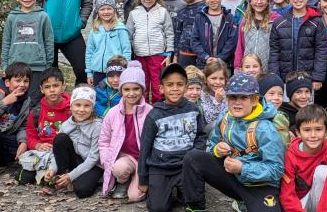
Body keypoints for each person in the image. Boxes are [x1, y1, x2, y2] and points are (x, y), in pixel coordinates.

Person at [182, 73, 286, 212]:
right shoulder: (226, 116)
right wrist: (216, 150)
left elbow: (276, 169)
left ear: (255, 100)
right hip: (233, 177)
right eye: (232, 97)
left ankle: (245, 202)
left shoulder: (265, 129)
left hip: (260, 186)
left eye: (244, 97)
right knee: (193, 157)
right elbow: (211, 145)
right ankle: (195, 208)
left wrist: (243, 168)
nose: (237, 102)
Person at [137, 64, 207, 212]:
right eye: (170, 85)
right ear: (162, 88)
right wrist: (143, 178)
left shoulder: (194, 110)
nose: (175, 88)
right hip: (160, 167)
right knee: (158, 208)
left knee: (195, 202)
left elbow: (201, 136)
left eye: (179, 84)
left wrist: (194, 155)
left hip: (185, 165)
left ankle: (183, 192)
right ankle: (162, 191)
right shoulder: (154, 115)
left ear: (186, 87)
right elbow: (145, 148)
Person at [99, 61, 153, 202]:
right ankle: (123, 181)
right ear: (121, 90)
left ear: (142, 90)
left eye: (136, 89)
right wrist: (107, 161)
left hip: (144, 160)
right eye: (126, 89)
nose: (131, 93)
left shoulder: (150, 112)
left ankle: (140, 181)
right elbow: (104, 140)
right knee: (119, 168)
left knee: (135, 196)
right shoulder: (112, 113)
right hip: (125, 157)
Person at [282, 105, 327, 212]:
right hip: (299, 203)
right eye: (307, 130)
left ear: (326, 131)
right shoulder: (290, 155)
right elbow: (287, 193)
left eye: (318, 129)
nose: (313, 135)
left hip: (323, 203)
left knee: (322, 171)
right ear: (298, 133)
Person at [15, 67, 71, 186]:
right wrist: (38, 145)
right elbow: (30, 135)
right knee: (23, 179)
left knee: (52, 180)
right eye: (47, 87)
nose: (52, 90)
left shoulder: (71, 109)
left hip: (63, 154)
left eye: (56, 85)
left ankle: (55, 175)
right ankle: (43, 174)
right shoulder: (36, 111)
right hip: (42, 153)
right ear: (41, 89)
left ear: (63, 86)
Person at [0, 0, 53, 105]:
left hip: (37, 66)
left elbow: (49, 42)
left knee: (33, 99)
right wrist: (4, 65)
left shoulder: (43, 16)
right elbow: (6, 41)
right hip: (15, 65)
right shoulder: (12, 17)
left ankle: (30, 123)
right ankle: (13, 121)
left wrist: (48, 65)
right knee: (15, 97)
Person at [268, 0, 327, 88]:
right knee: (285, 105)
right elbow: (274, 52)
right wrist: (274, 77)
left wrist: (317, 77)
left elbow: (321, 50)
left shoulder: (316, 21)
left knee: (306, 104)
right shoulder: (279, 22)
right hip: (284, 78)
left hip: (307, 77)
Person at [45, 86, 103, 197]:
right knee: (60, 138)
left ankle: (76, 178)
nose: (81, 110)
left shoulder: (97, 126)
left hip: (93, 164)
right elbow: (56, 151)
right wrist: (52, 168)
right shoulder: (66, 124)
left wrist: (71, 176)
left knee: (82, 191)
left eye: (87, 106)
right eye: (78, 105)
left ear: (92, 107)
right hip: (75, 160)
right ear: (71, 106)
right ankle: (61, 176)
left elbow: (94, 158)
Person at [127, 0, 175, 104]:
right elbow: (129, 34)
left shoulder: (163, 12)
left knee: (157, 84)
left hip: (158, 55)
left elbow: (169, 33)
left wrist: (169, 53)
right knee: (141, 83)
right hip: (139, 55)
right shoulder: (134, 13)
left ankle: (157, 108)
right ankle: (141, 108)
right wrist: (129, 54)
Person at [184, 0, 238, 69]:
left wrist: (220, 58)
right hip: (204, 64)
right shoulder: (200, 17)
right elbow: (194, 40)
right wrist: (206, 57)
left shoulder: (229, 17)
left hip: (225, 64)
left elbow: (232, 41)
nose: (212, 0)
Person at [85, 0, 132, 87]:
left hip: (116, 71)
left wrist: (126, 69)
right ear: (97, 11)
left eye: (109, 8)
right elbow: (89, 52)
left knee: (115, 95)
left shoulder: (120, 29)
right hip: (98, 71)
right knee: (99, 95)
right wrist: (89, 72)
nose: (106, 12)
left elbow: (126, 50)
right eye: (102, 9)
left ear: (114, 10)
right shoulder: (95, 30)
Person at [234, 0, 273, 69]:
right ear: (250, 1)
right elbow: (240, 46)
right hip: (248, 68)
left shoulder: (274, 20)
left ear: (268, 1)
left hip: (267, 68)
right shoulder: (245, 21)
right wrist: (237, 67)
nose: (259, 2)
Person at [173, 0, 204, 67]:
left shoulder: (207, 7)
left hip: (203, 53)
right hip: (185, 54)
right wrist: (175, 55)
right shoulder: (181, 12)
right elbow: (178, 34)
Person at [260, 73, 292, 145]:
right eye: (271, 93)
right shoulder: (253, 114)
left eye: (280, 94)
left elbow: (283, 144)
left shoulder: (279, 117)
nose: (277, 97)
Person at [201, 59, 229, 128]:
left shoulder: (228, 94)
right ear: (205, 79)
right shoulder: (202, 95)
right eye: (213, 78)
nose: (218, 82)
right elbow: (210, 120)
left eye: (221, 79)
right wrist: (217, 102)